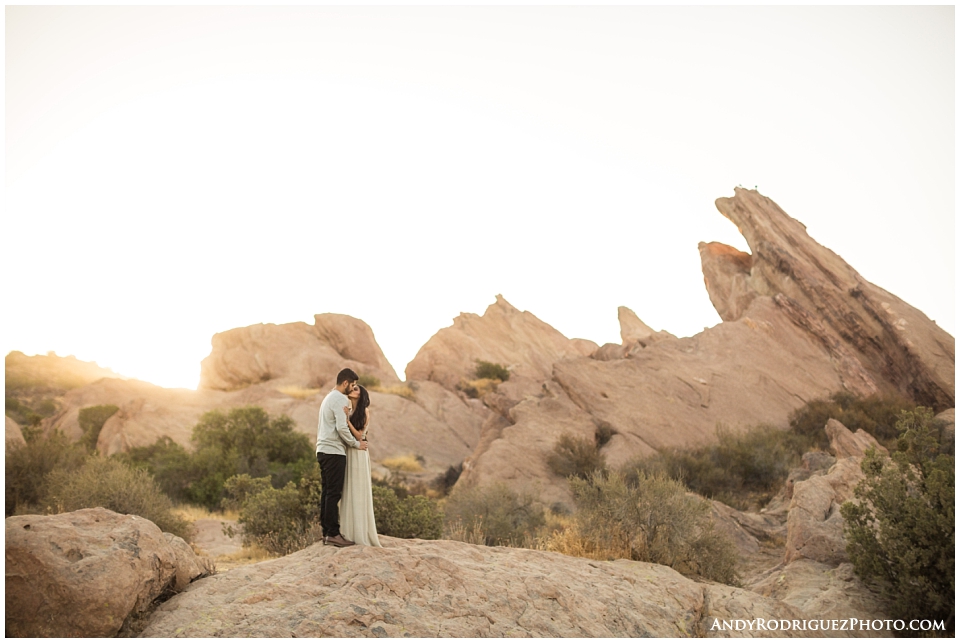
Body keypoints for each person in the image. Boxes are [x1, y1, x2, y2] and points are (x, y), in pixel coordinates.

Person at [316, 368, 367, 547]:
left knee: (327, 492)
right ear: (345, 383)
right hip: (333, 451)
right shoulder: (339, 399)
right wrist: (356, 444)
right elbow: (341, 428)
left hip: (323, 450)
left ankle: (326, 532)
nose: (353, 388)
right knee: (333, 493)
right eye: (352, 385)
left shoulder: (329, 397)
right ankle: (333, 534)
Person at [340, 384, 382, 547]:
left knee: (358, 489)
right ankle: (349, 531)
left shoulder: (364, 411)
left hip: (359, 452)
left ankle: (360, 533)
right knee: (349, 488)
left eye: (356, 389)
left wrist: (346, 421)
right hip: (350, 451)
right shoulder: (350, 411)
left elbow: (358, 434)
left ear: (361, 395)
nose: (352, 390)